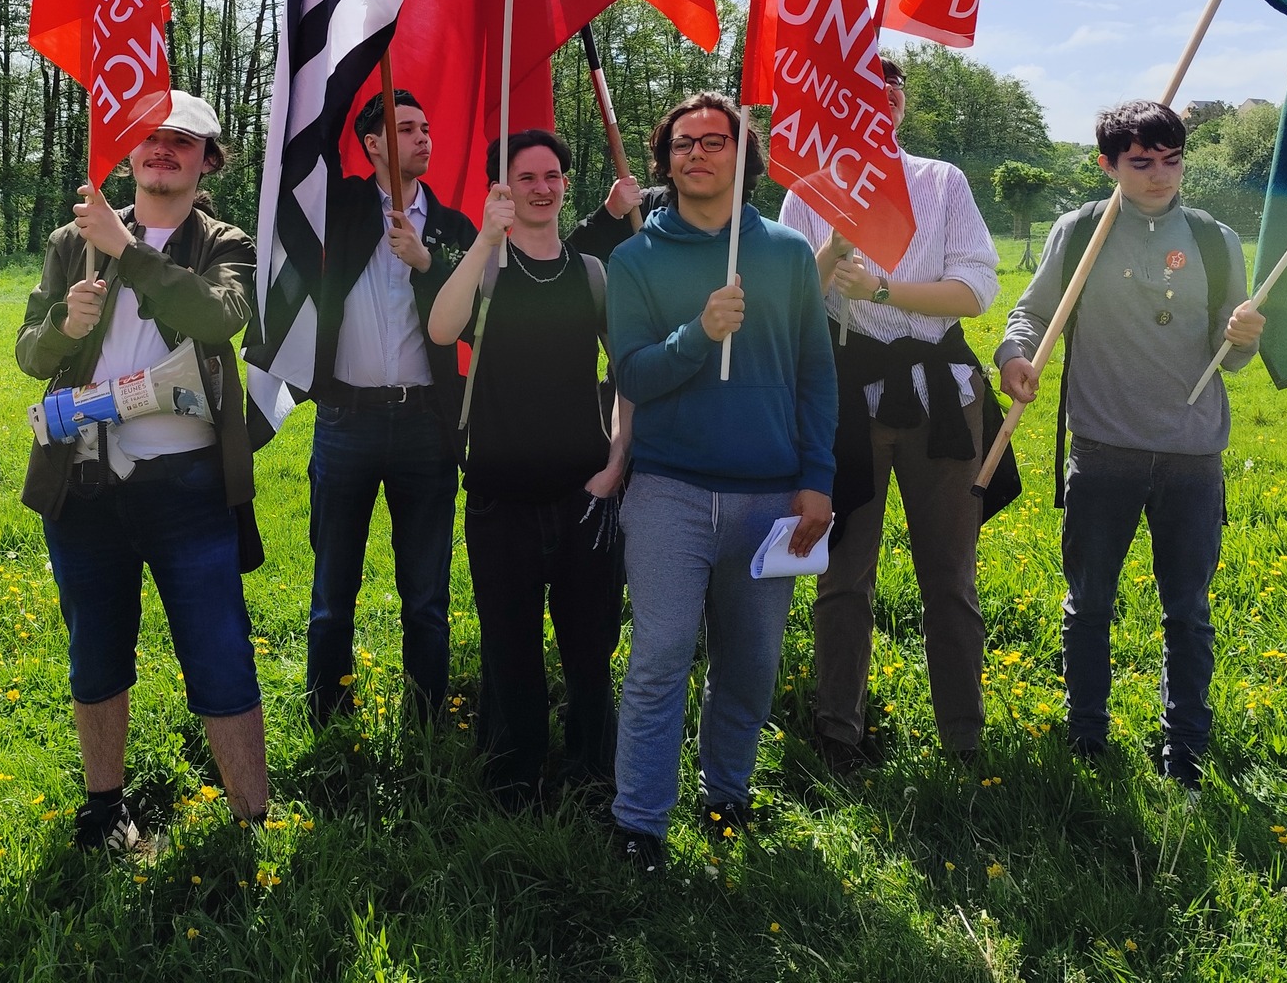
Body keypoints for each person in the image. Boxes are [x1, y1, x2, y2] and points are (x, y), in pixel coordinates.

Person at [14, 92, 269, 853]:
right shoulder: (72, 241)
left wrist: (126, 249)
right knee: (95, 651)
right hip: (85, 483)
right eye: (150, 137)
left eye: (182, 141)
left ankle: (253, 820)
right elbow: (29, 354)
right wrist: (64, 326)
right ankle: (103, 810)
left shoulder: (226, 242)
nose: (163, 149)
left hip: (188, 485)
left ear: (207, 160)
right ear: (127, 152)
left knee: (219, 649)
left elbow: (217, 317)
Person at [997, 100, 1265, 790]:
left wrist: (1242, 339)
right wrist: (1015, 354)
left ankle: (1186, 748)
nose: (1160, 175)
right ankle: (1087, 735)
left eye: (1172, 160)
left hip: (1192, 456)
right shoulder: (1080, 231)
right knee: (1089, 602)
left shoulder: (1214, 240)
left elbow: (1233, 358)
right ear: (1107, 164)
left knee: (1188, 611)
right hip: (1103, 450)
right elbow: (1032, 312)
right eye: (1141, 162)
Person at [605, 92, 837, 873]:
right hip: (667, 489)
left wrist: (817, 478)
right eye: (682, 143)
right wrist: (698, 334)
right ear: (665, 159)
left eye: (714, 142)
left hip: (772, 496)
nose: (696, 154)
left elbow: (816, 376)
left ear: (744, 158)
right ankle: (639, 821)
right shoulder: (636, 260)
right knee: (661, 652)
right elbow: (633, 375)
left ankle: (726, 794)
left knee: (751, 660)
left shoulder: (788, 254)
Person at [777, 56, 1006, 771]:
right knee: (844, 573)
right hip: (847, 397)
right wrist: (831, 252)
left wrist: (882, 289)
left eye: (893, 88)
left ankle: (962, 735)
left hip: (942, 397)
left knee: (950, 573)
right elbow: (791, 298)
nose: (882, 99)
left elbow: (976, 290)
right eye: (864, 89)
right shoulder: (808, 191)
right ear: (835, 101)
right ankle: (838, 730)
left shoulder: (942, 181)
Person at [428, 129, 632, 809]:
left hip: (585, 496)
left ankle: (593, 776)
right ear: (504, 189)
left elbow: (626, 373)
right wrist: (486, 240)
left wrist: (616, 459)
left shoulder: (592, 274)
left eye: (552, 176)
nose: (542, 188)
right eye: (526, 177)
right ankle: (515, 779)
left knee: (590, 648)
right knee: (509, 647)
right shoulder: (487, 270)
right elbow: (440, 328)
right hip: (499, 498)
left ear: (566, 185)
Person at [303, 88, 477, 726]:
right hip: (345, 421)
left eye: (425, 127)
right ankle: (328, 713)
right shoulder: (343, 207)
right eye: (406, 129)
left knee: (427, 595)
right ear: (373, 145)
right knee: (333, 592)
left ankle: (426, 718)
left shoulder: (454, 228)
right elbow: (313, 147)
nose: (424, 137)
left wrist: (426, 262)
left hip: (426, 426)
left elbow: (474, 323)